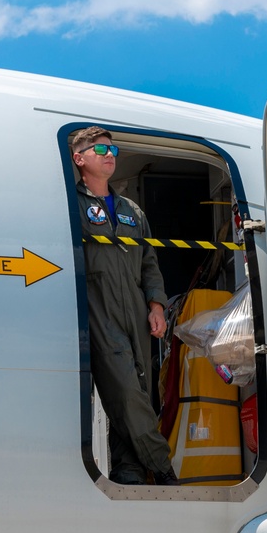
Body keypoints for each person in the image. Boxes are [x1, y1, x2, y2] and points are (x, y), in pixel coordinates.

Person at [72, 126, 180, 486]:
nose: (109, 155)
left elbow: (149, 262)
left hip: (136, 307)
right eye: (101, 149)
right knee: (125, 390)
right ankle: (162, 466)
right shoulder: (72, 205)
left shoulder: (132, 210)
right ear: (79, 158)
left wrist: (156, 306)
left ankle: (130, 470)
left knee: (142, 389)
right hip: (98, 306)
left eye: (113, 151)